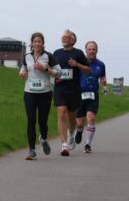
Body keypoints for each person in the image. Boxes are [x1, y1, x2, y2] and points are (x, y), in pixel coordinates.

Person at [18, 32, 59, 160]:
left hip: (45, 93)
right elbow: (23, 68)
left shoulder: (49, 56)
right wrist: (22, 72)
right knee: (31, 120)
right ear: (31, 43)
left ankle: (44, 139)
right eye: (35, 41)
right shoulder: (27, 56)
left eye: (39, 41)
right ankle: (32, 150)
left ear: (43, 43)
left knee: (42, 121)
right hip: (29, 92)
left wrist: (45, 69)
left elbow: (59, 73)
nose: (37, 43)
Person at [52, 30, 90, 156]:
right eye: (62, 37)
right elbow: (51, 68)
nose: (64, 39)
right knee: (61, 113)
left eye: (67, 37)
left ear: (73, 40)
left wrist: (76, 64)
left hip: (74, 90)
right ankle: (64, 145)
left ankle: (71, 134)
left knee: (72, 117)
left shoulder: (78, 53)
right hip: (60, 89)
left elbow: (88, 69)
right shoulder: (56, 53)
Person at [74, 41, 107, 153]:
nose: (91, 51)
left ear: (96, 50)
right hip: (80, 95)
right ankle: (79, 130)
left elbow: (102, 77)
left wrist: (103, 82)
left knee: (91, 117)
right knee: (79, 122)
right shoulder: (80, 63)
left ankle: (87, 144)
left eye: (93, 49)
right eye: (89, 49)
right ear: (86, 50)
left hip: (93, 95)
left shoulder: (101, 64)